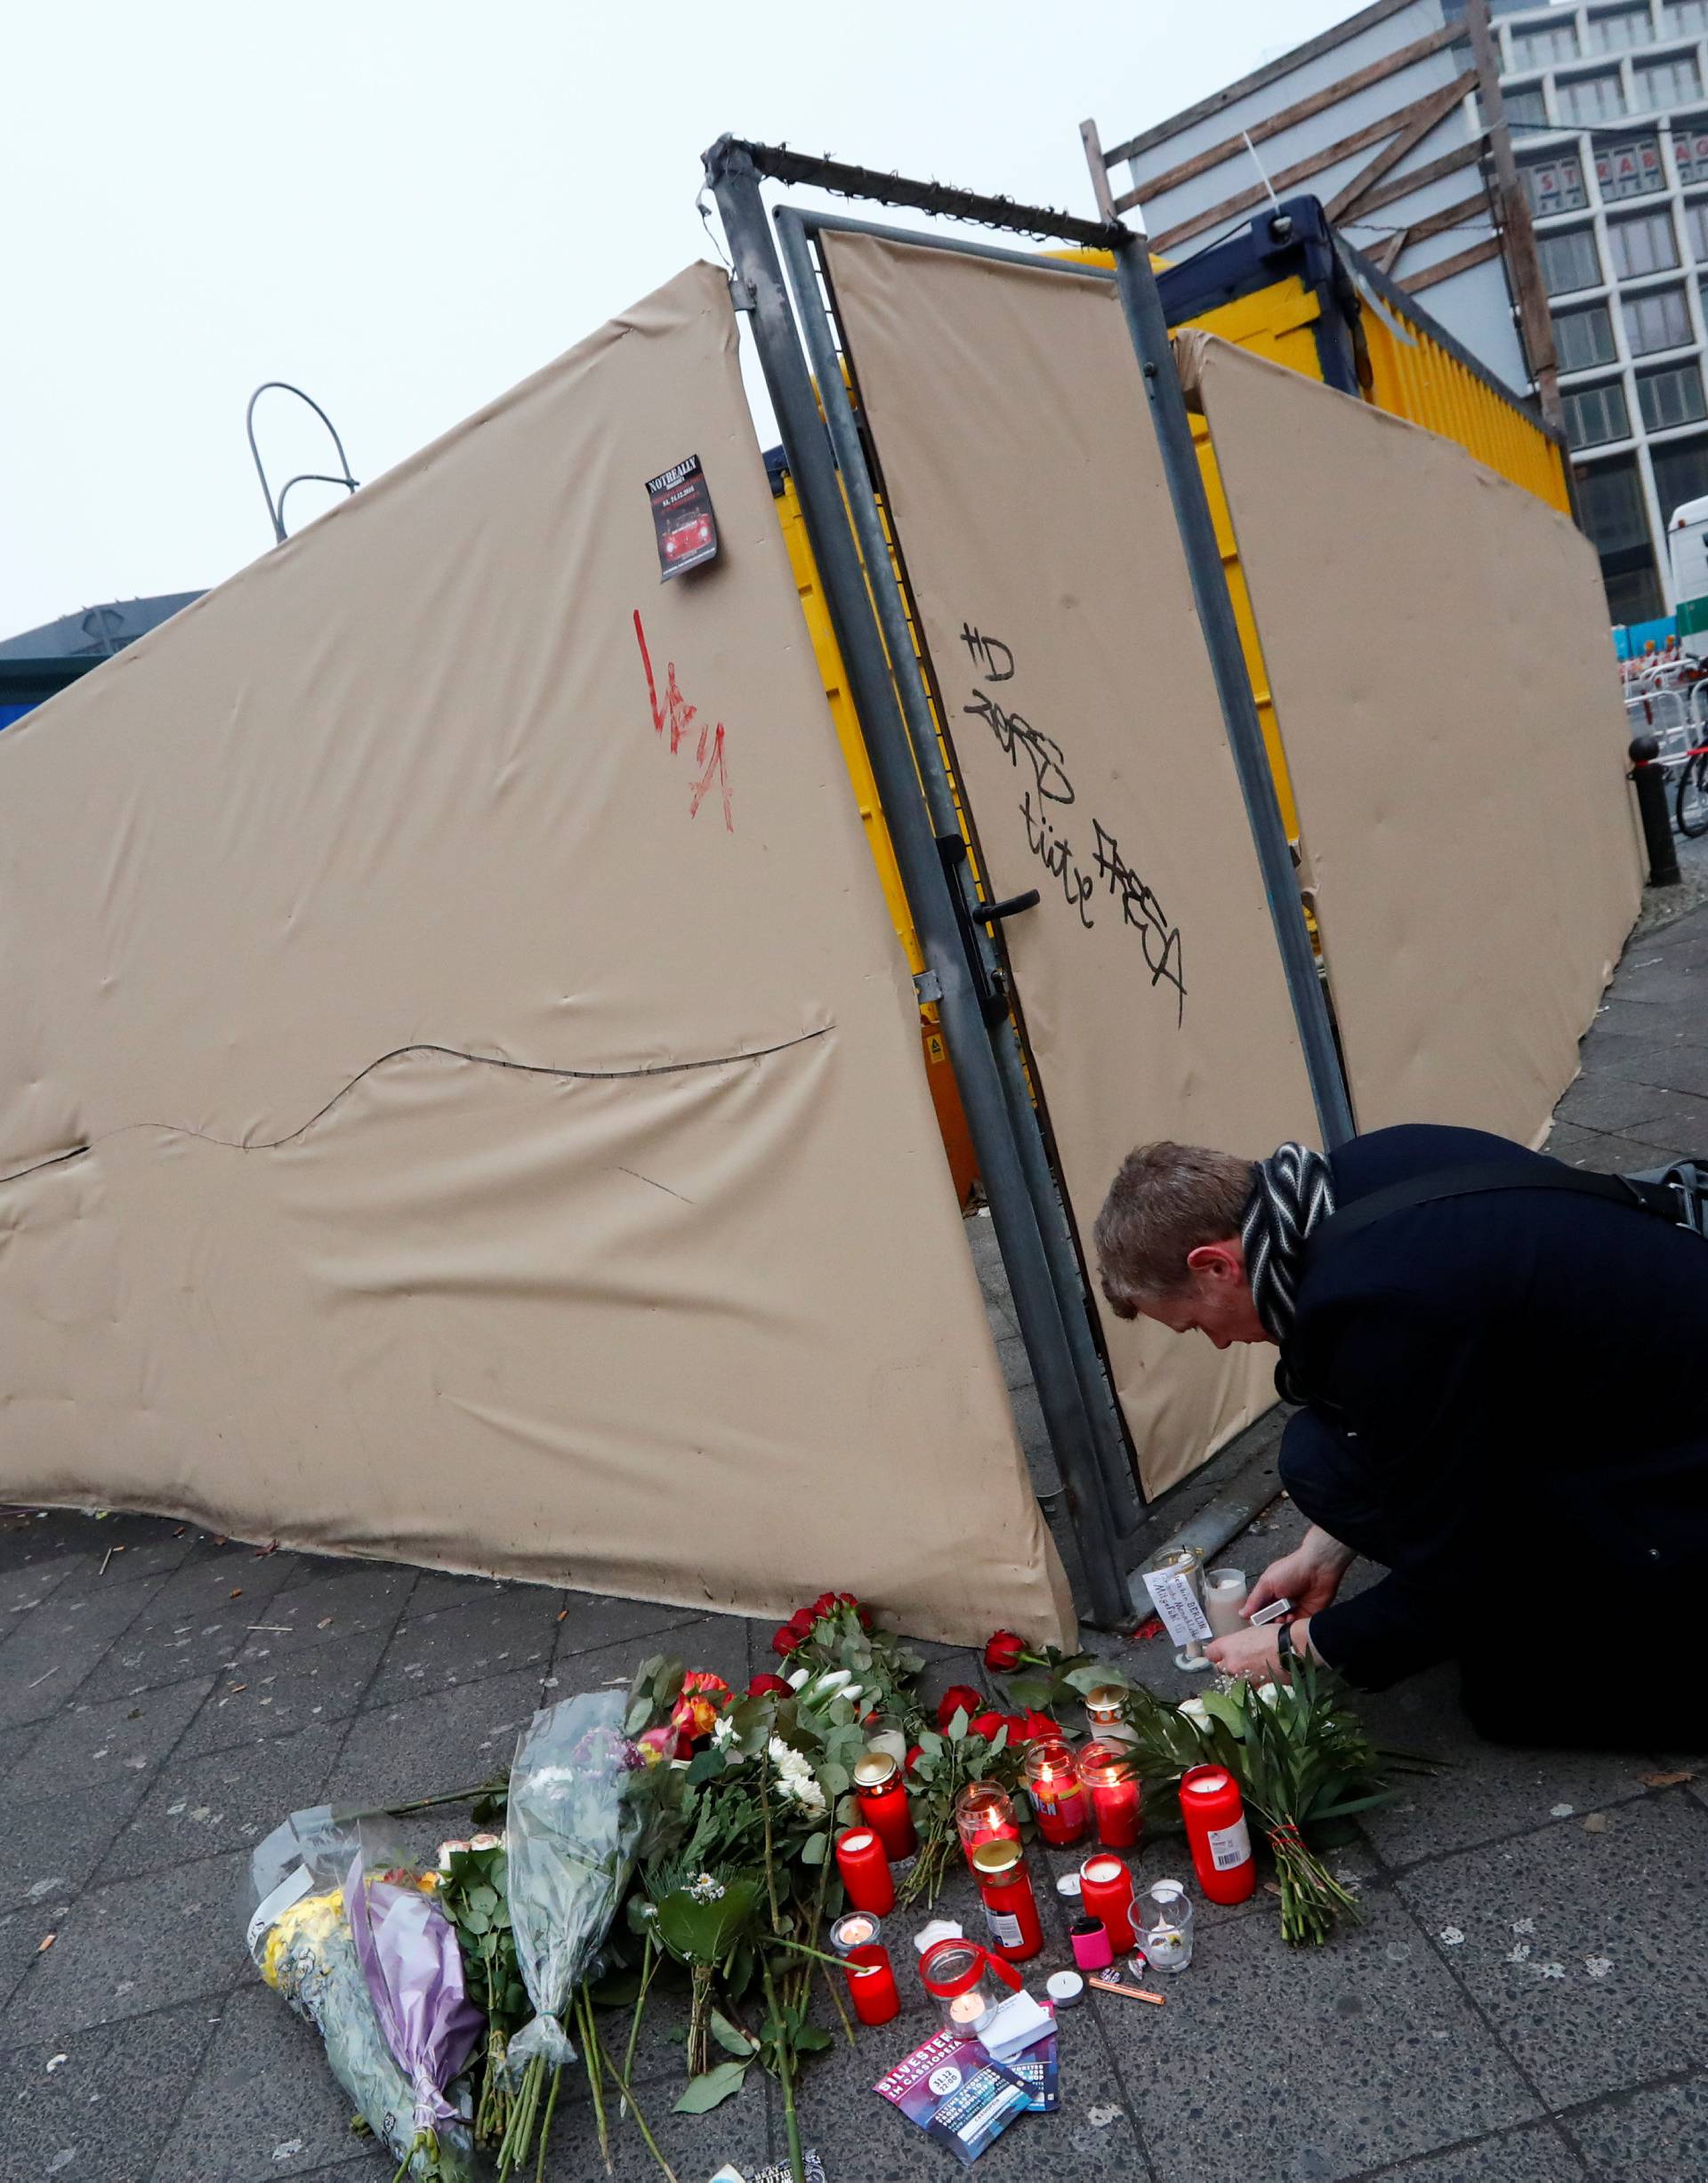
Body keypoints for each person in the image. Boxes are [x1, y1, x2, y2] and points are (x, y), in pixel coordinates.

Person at [1093, 1124, 1708, 1745]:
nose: (1222, 1342)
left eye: (1197, 1325)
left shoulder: (1378, 1304)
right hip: (1618, 1383)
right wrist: (1322, 1553)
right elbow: (1453, 1406)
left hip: (1674, 1458)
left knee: (1510, 1701)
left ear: (1216, 1265)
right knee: (1318, 1457)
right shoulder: (1360, 1172)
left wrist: (1300, 1646)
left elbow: (1465, 1551)